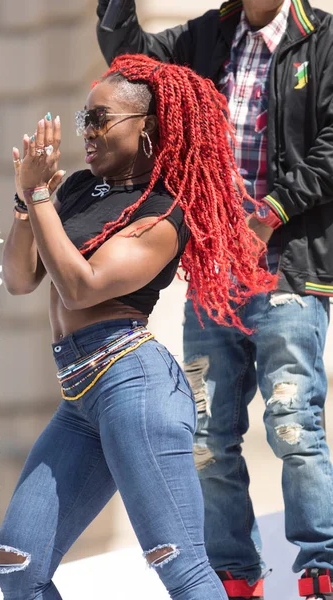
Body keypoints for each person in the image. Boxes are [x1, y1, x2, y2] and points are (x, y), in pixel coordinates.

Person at [0, 53, 275, 600]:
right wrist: (29, 204)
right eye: (84, 120)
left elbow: (80, 285)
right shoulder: (74, 189)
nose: (87, 133)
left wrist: (42, 197)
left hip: (132, 385)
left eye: (100, 120)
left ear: (147, 129)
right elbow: (21, 279)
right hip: (80, 396)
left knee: (180, 564)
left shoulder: (164, 211)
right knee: (17, 564)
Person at [96, 1, 333, 599]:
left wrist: (270, 214)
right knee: (206, 434)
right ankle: (232, 574)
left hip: (289, 271)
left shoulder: (323, 38)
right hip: (214, 276)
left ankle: (322, 569)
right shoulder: (210, 34)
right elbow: (131, 61)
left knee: (293, 422)